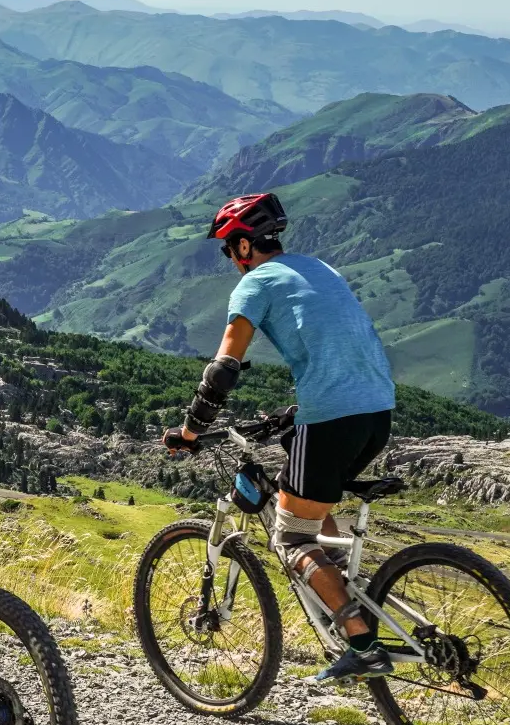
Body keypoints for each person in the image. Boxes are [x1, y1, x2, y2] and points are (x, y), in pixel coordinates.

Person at [167, 192, 398, 683]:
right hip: (378, 410)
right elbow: (336, 344)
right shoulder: (318, 267)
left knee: (289, 536)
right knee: (311, 501)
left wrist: (191, 430)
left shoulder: (254, 285)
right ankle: (345, 584)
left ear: (245, 248)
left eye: (229, 249)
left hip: (333, 417)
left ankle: (361, 640)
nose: (230, 260)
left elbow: (224, 368)